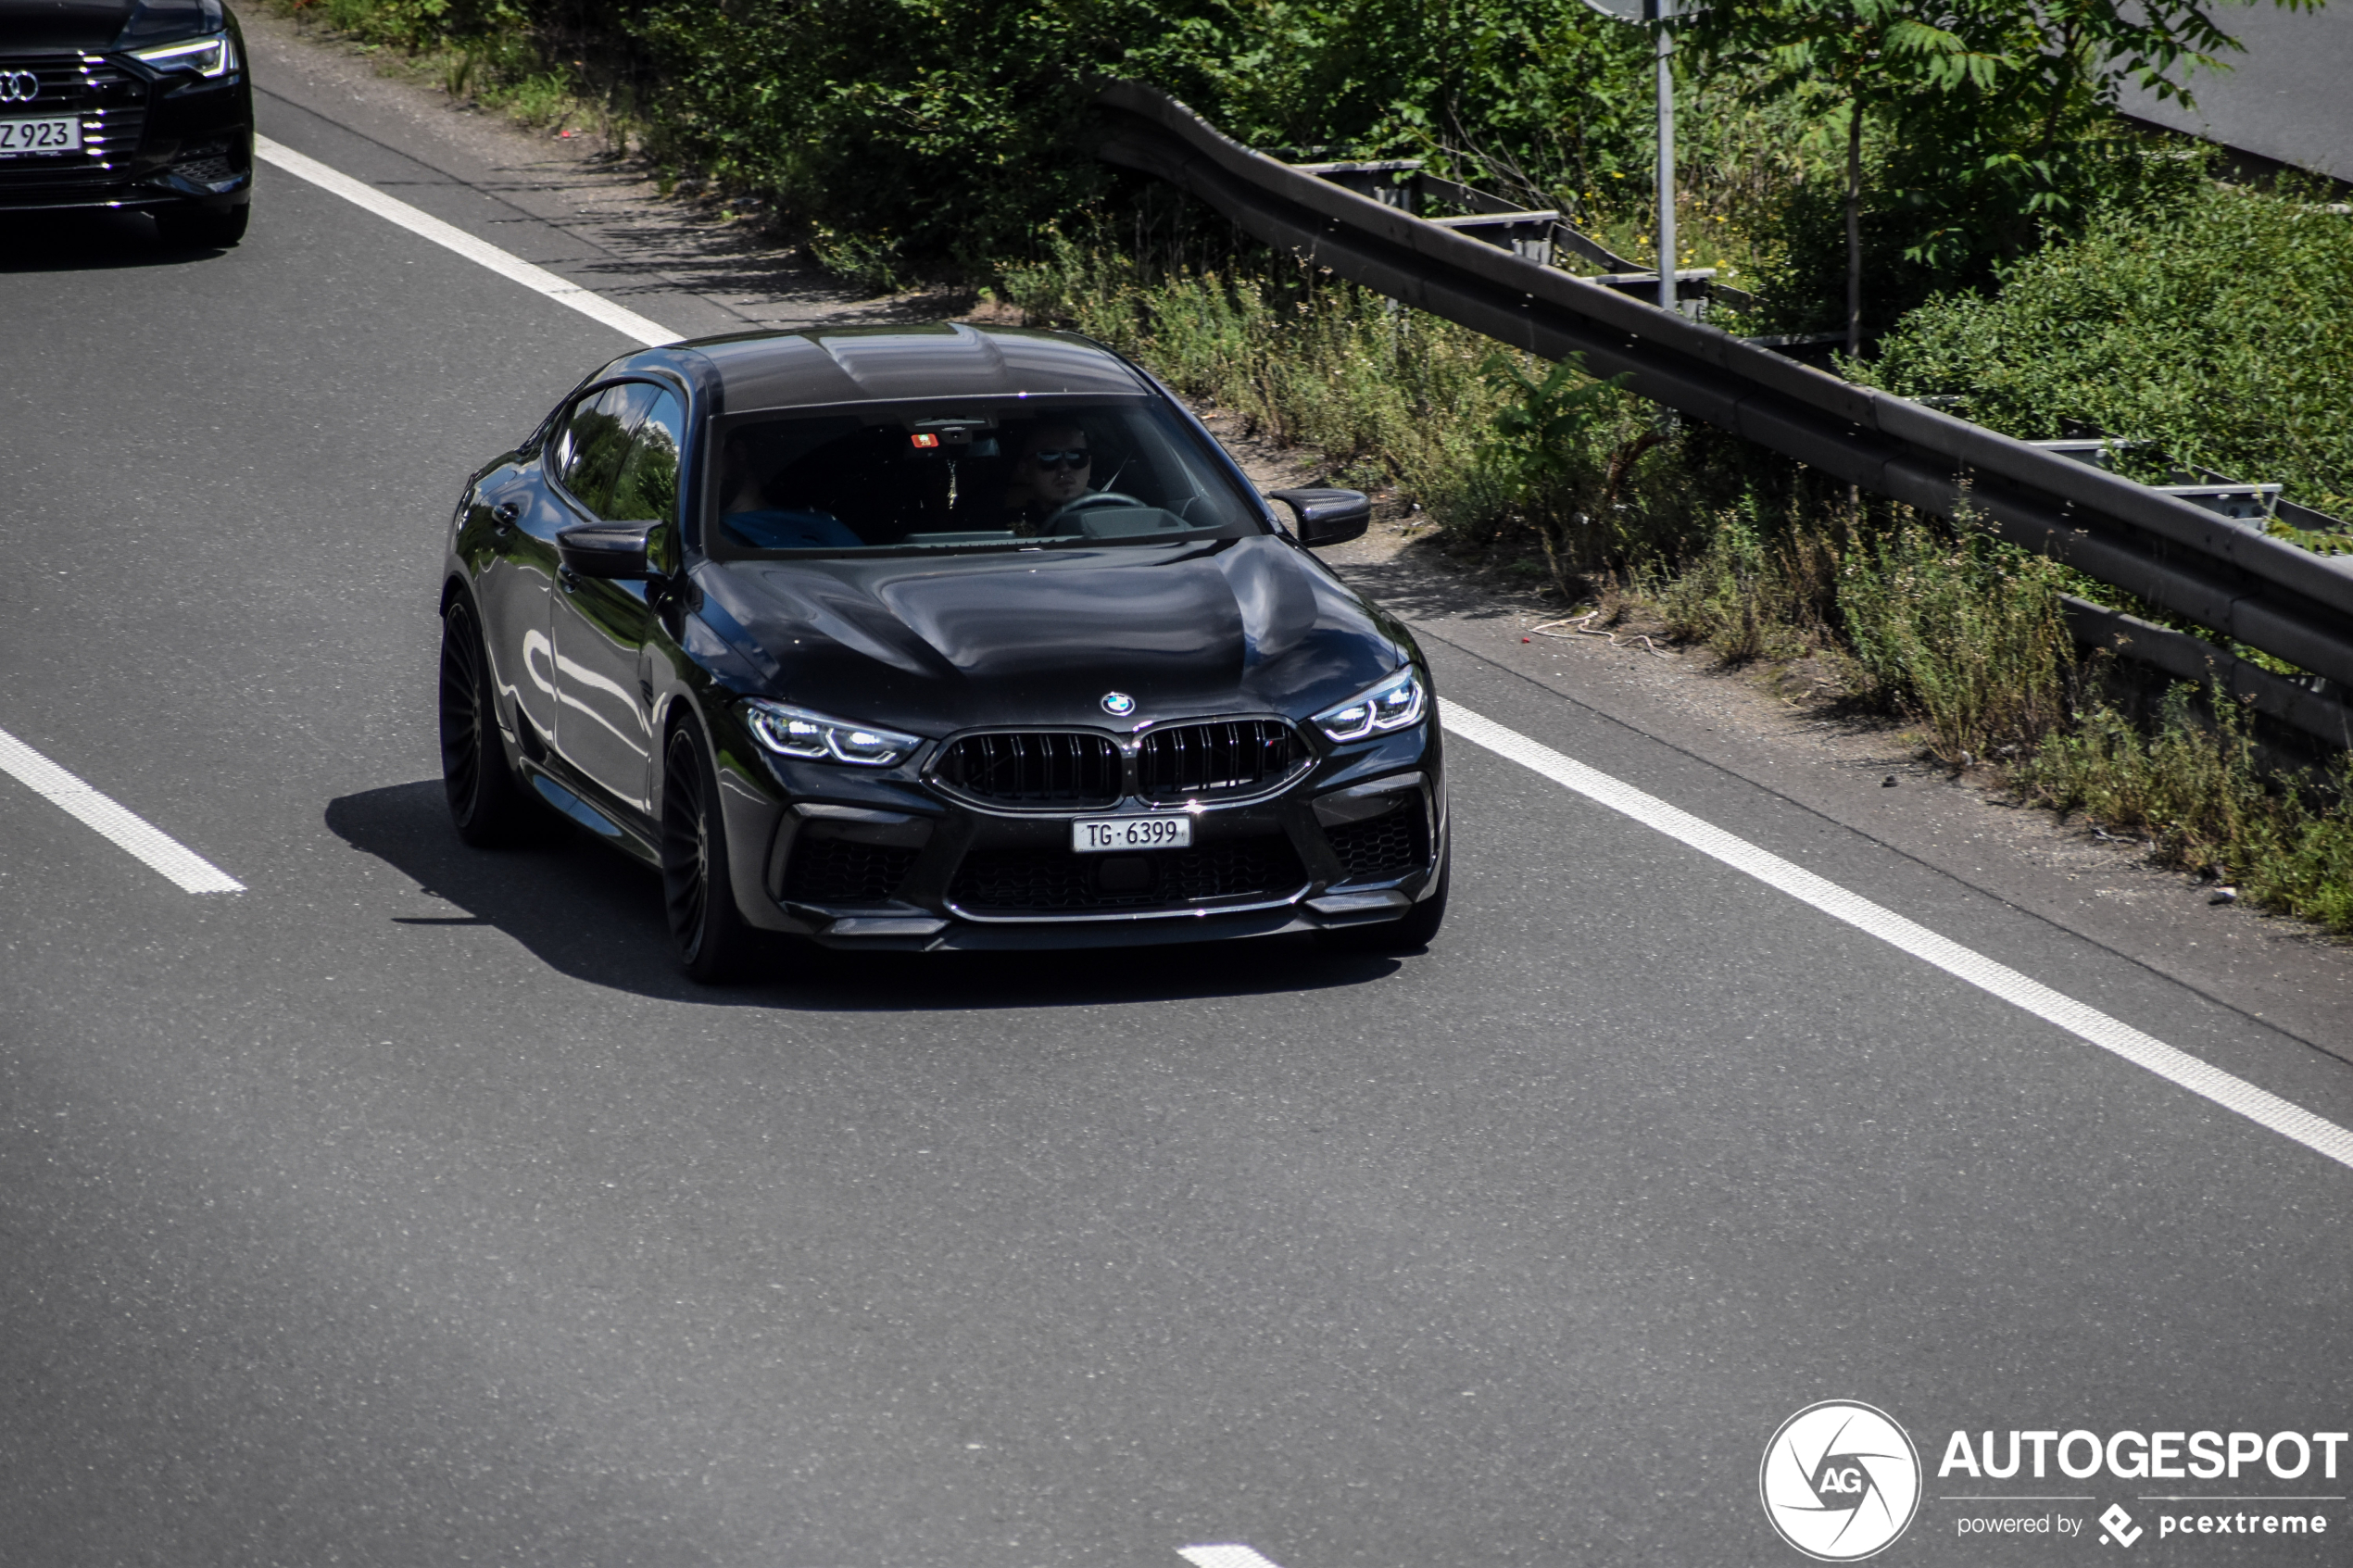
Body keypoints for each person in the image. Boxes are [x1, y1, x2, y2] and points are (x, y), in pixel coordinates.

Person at [715, 430, 862, 550]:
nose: (700, 469)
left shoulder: (820, 523)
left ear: (738, 451)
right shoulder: (699, 534)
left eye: (709, 454)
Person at [1001, 422, 1094, 534]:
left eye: (1077, 456)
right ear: (1024, 469)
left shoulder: (1116, 513)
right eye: (1049, 457)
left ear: (1089, 465)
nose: (1064, 468)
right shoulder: (1007, 530)